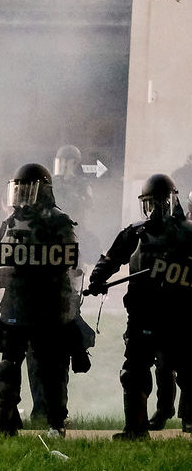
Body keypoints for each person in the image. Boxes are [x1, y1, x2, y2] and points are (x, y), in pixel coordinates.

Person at [0, 163, 83, 437]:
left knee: (51, 369)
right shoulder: (9, 224)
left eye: (27, 189)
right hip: (15, 305)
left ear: (43, 191)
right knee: (7, 366)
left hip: (48, 306)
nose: (21, 195)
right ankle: (5, 423)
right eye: (18, 189)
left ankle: (56, 423)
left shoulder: (60, 224)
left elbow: (69, 269)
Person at [87, 174, 192, 439]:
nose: (155, 210)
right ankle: (135, 428)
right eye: (150, 203)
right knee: (133, 373)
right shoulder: (136, 233)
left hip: (179, 317)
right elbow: (110, 259)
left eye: (160, 203)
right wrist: (98, 279)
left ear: (172, 202)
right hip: (143, 316)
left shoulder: (188, 234)